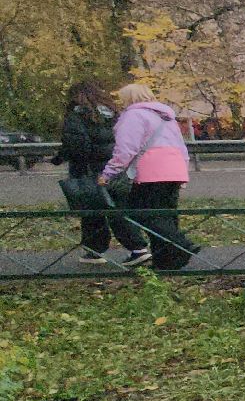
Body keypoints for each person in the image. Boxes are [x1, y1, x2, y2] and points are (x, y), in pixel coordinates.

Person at [98, 83, 196, 269]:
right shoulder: (167, 117)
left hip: (150, 171)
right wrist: (184, 170)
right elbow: (181, 147)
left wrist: (108, 173)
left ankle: (181, 244)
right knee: (166, 214)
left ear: (128, 98)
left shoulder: (133, 116)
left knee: (142, 212)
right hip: (175, 169)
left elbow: (125, 150)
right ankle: (166, 261)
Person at [51, 80, 139, 263]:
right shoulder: (114, 114)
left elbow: (76, 145)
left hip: (88, 171)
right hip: (115, 169)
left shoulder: (76, 116)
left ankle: (95, 250)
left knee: (91, 211)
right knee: (119, 209)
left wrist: (60, 158)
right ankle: (138, 247)